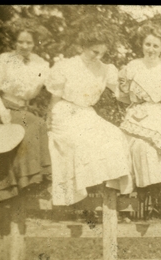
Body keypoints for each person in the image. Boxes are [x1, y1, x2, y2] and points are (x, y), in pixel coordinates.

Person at [0, 18, 51, 234]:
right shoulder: (3, 59)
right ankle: (3, 190)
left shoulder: (42, 64)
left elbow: (50, 87)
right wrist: (3, 111)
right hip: (2, 108)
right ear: (15, 42)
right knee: (3, 138)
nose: (24, 46)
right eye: (20, 42)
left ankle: (28, 184)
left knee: (38, 126)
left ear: (36, 43)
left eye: (29, 42)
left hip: (24, 111)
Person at [45, 26, 133, 207]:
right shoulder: (66, 66)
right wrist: (50, 119)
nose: (98, 57)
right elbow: (55, 97)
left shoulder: (105, 69)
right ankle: (81, 193)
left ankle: (110, 188)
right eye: (95, 51)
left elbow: (121, 93)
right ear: (83, 47)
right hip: (65, 112)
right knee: (81, 142)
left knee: (115, 135)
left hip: (87, 114)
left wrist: (133, 87)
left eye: (102, 53)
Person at [117, 23, 161, 218]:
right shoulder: (133, 66)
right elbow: (123, 96)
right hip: (139, 113)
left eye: (156, 46)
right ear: (141, 45)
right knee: (140, 147)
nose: (151, 49)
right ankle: (138, 198)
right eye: (148, 44)